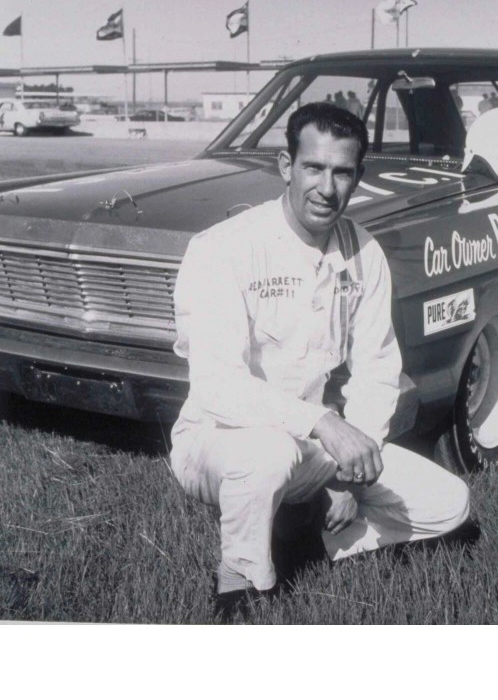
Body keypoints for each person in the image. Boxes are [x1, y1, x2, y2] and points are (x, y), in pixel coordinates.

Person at [170, 102, 470, 616]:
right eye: (313, 168)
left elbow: (377, 371)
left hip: (311, 448)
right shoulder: (223, 248)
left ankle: (308, 537)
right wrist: (325, 424)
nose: (327, 188)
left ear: (358, 176)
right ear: (286, 166)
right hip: (219, 441)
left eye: (342, 172)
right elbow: (219, 386)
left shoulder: (364, 252)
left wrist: (351, 476)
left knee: (450, 503)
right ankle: (242, 583)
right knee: (266, 454)